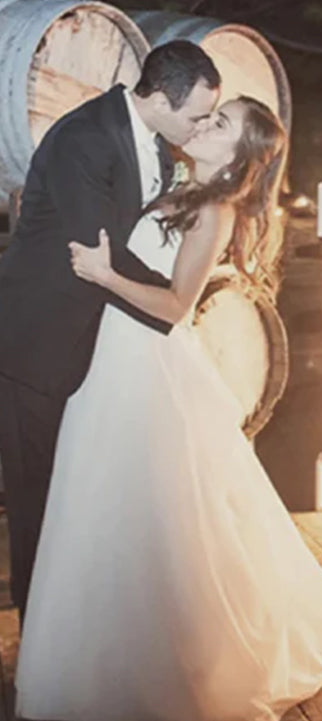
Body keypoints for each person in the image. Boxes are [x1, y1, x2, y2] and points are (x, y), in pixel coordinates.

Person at [14, 93, 322, 719]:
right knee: (100, 510)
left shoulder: (216, 211)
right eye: (211, 114)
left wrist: (105, 277)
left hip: (146, 369)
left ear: (241, 156)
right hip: (107, 362)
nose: (208, 123)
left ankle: (166, 664)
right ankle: (93, 657)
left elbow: (176, 308)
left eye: (223, 122)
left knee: (150, 519)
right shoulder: (179, 187)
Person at [0, 40, 221, 629]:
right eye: (198, 114)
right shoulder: (85, 138)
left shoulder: (155, 142)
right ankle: (37, 639)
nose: (201, 126)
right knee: (35, 496)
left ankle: (78, 626)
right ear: (162, 98)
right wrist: (175, 304)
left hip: (97, 344)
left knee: (78, 490)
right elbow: (95, 249)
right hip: (36, 343)